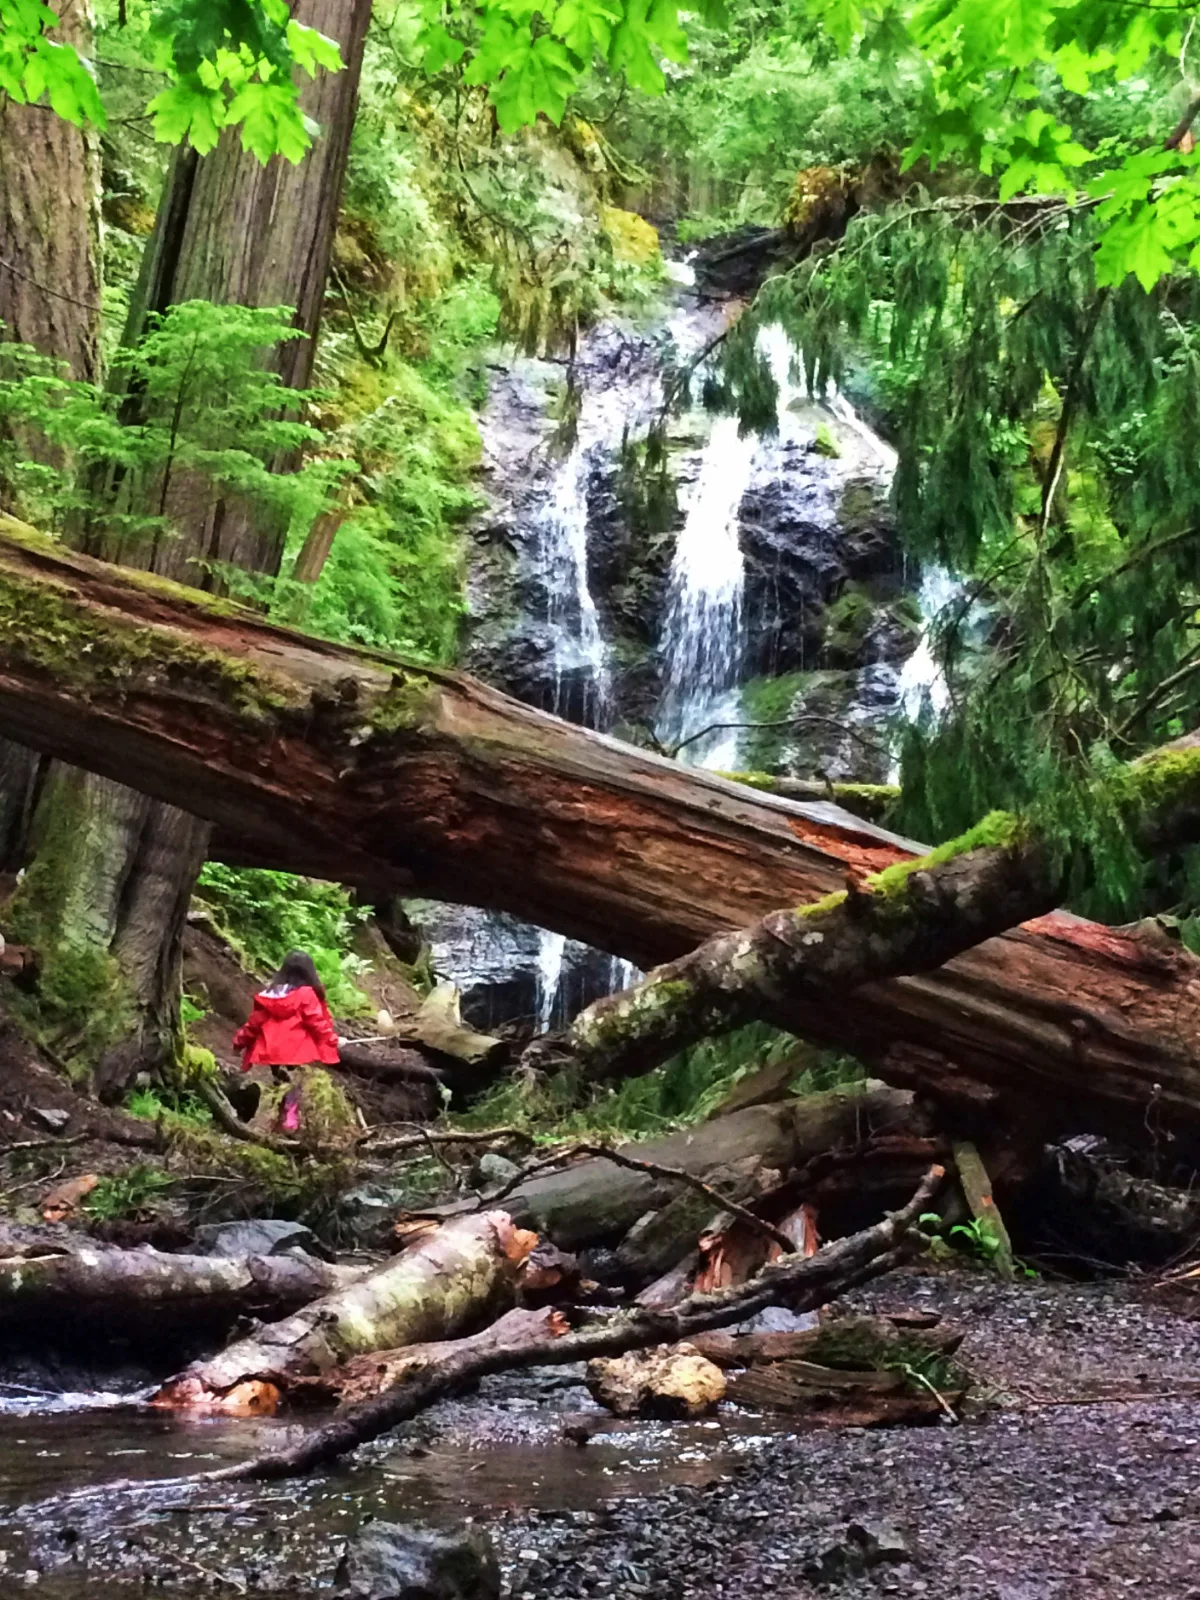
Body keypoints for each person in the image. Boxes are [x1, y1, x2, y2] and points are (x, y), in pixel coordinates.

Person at [232, 951, 340, 1132]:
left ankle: (279, 1120)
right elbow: (316, 1023)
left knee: (280, 1082)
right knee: (294, 1084)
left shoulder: (271, 994)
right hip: (296, 1051)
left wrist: (239, 1042)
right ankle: (290, 1120)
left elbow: (253, 1024)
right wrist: (333, 1039)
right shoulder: (307, 994)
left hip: (273, 1050)